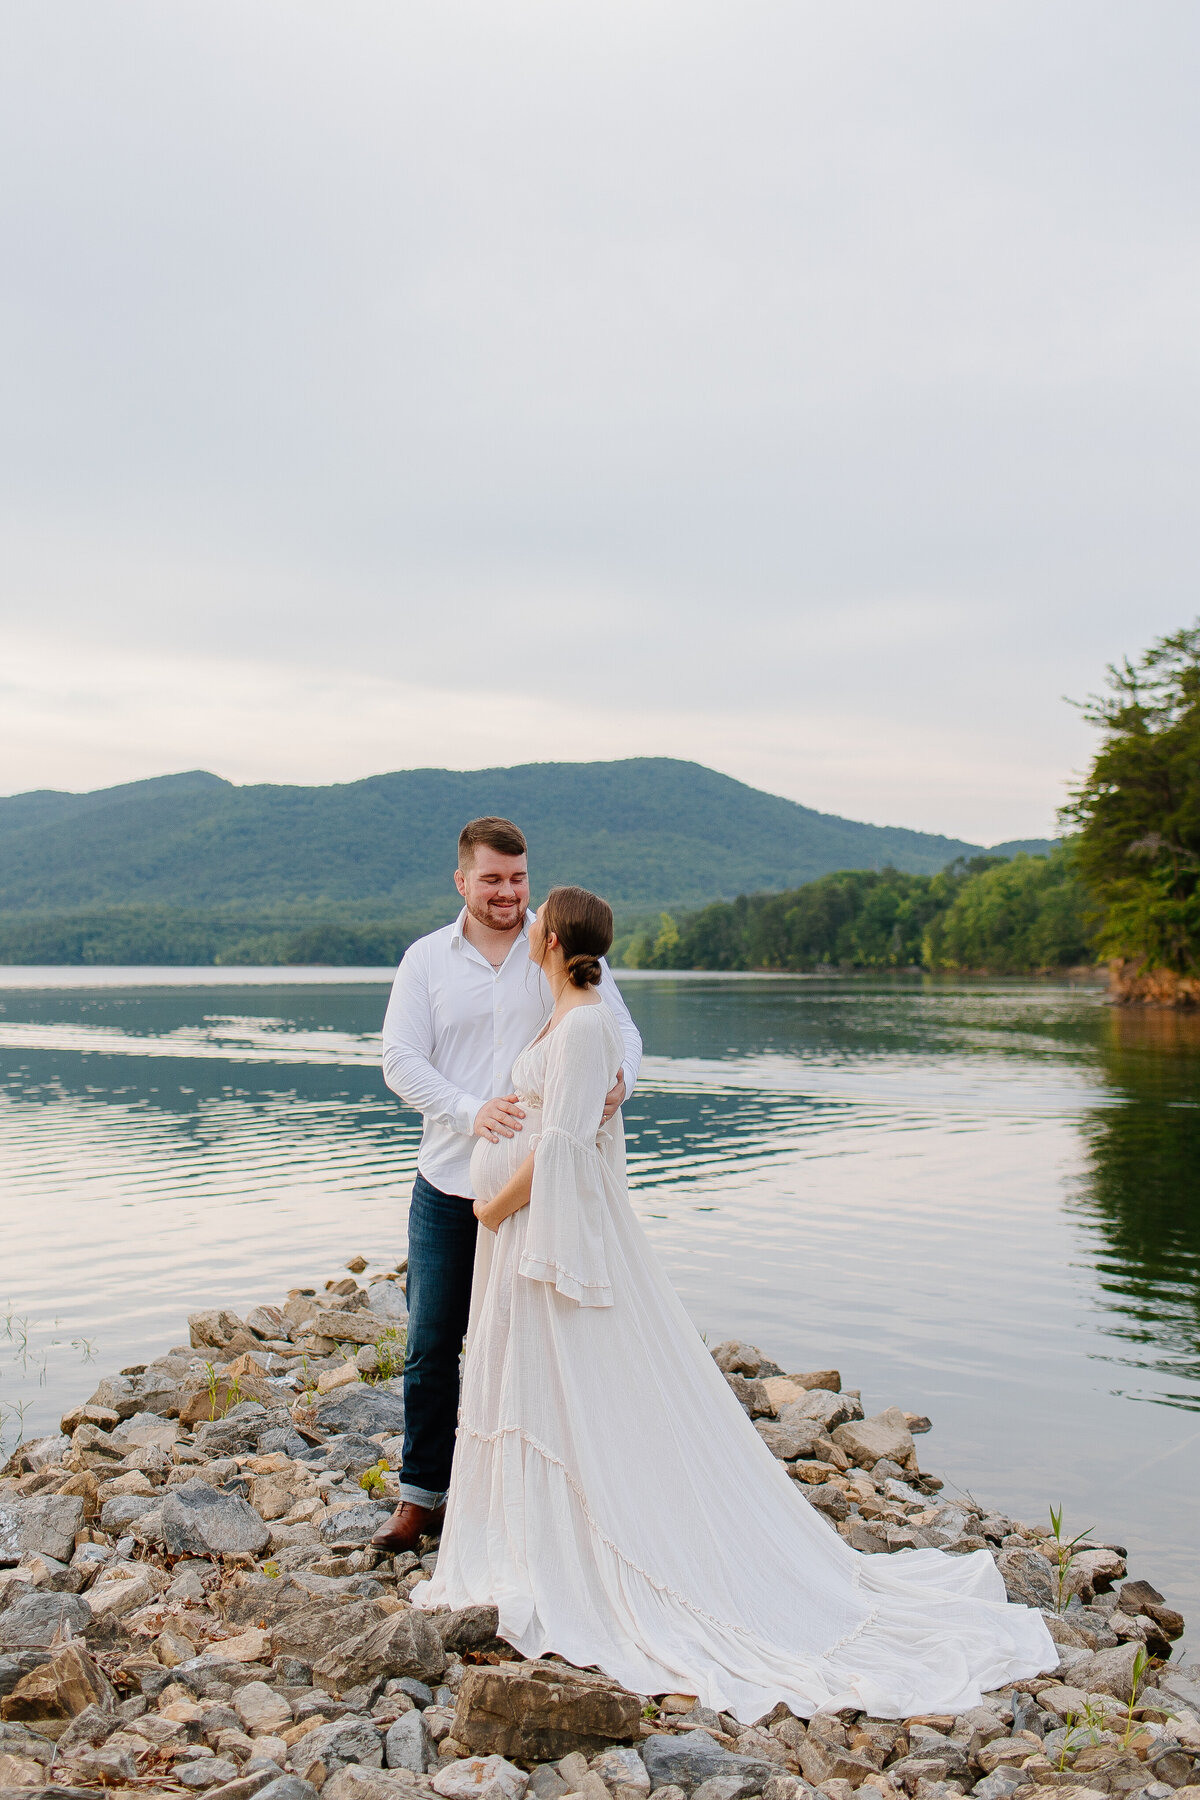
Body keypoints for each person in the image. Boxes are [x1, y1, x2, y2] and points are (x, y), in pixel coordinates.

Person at [414, 883, 1056, 1720]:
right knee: (529, 1382)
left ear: (556, 938)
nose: (524, 919)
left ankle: (592, 1551)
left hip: (536, 1230)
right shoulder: (562, 1011)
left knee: (575, 1381)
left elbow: (569, 1146)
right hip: (524, 1233)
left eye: (537, 915)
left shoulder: (586, 1021)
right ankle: (526, 1537)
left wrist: (491, 1208)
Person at [371, 819, 642, 1553]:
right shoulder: (426, 960)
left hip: (534, 1196)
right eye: (493, 879)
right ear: (462, 880)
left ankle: (528, 1502)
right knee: (433, 1344)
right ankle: (421, 1497)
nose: (508, 893)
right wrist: (468, 1109)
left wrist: (620, 1083)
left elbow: (619, 1033)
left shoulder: (554, 944)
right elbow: (398, 1058)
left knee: (529, 1344)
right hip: (448, 1181)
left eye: (518, 879)